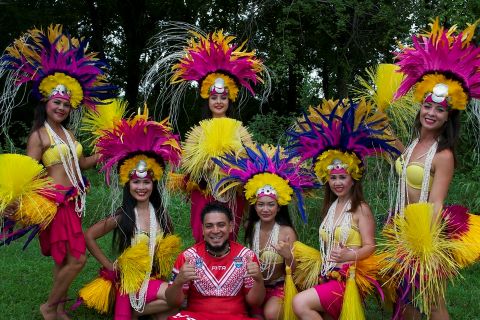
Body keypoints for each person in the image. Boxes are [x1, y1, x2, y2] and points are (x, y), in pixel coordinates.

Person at [0, 25, 117, 320]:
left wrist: (103, 155)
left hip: (75, 201)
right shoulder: (39, 135)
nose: (62, 107)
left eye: (65, 104)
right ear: (46, 103)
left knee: (64, 259)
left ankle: (59, 308)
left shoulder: (69, 135)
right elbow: (28, 171)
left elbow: (80, 164)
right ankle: (49, 306)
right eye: (57, 103)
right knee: (78, 259)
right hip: (55, 203)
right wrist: (17, 202)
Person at [379, 18, 480, 320]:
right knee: (401, 296)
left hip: (426, 233)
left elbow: (436, 201)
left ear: (449, 116)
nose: (431, 113)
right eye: (427, 106)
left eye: (440, 109)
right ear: (419, 107)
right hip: (399, 225)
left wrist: (424, 246)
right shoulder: (412, 146)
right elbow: (392, 150)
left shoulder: (443, 155)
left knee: (433, 301)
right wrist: (381, 110)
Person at [142, 24, 270, 242]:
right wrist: (204, 166)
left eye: (222, 97)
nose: (218, 101)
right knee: (203, 236)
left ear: (229, 99)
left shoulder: (239, 130)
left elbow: (251, 162)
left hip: (231, 194)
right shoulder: (198, 131)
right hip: (204, 192)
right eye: (214, 97)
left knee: (229, 235)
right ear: (207, 99)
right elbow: (188, 164)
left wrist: (232, 167)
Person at [286, 99, 399, 320]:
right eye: (333, 178)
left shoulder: (360, 208)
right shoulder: (331, 207)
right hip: (329, 274)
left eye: (343, 177)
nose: (337, 182)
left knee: (299, 303)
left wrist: (350, 254)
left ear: (353, 178)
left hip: (350, 278)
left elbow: (370, 246)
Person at [80, 104, 182, 319]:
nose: (141, 187)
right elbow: (89, 235)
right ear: (128, 184)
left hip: (153, 280)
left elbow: (163, 255)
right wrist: (110, 267)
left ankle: (139, 310)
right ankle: (135, 308)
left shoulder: (161, 215)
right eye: (136, 182)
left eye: (146, 182)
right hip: (130, 281)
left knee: (173, 306)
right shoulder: (123, 215)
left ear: (153, 184)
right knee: (176, 300)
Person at [213, 143, 315, 319]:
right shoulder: (250, 227)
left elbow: (297, 272)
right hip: (254, 286)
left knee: (271, 314)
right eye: (261, 204)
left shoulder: (286, 232)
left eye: (270, 205)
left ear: (278, 207)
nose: (265, 209)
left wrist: (288, 257)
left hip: (279, 287)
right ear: (255, 206)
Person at [166, 202, 266, 320]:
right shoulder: (188, 257)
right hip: (197, 317)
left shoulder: (246, 256)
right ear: (202, 229)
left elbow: (255, 303)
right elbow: (172, 302)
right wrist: (179, 281)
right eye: (209, 226)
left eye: (221, 225)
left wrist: (259, 280)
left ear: (231, 226)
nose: (215, 230)